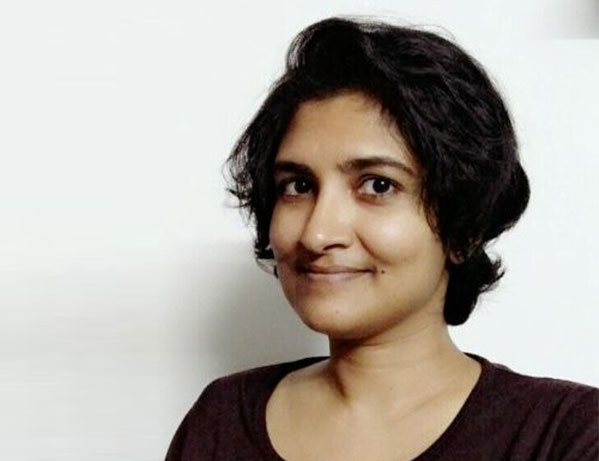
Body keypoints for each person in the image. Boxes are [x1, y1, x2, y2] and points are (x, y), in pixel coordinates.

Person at [165, 17, 598, 460]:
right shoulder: (220, 418)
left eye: (377, 185)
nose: (317, 233)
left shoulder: (567, 435)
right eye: (298, 186)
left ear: (464, 227)